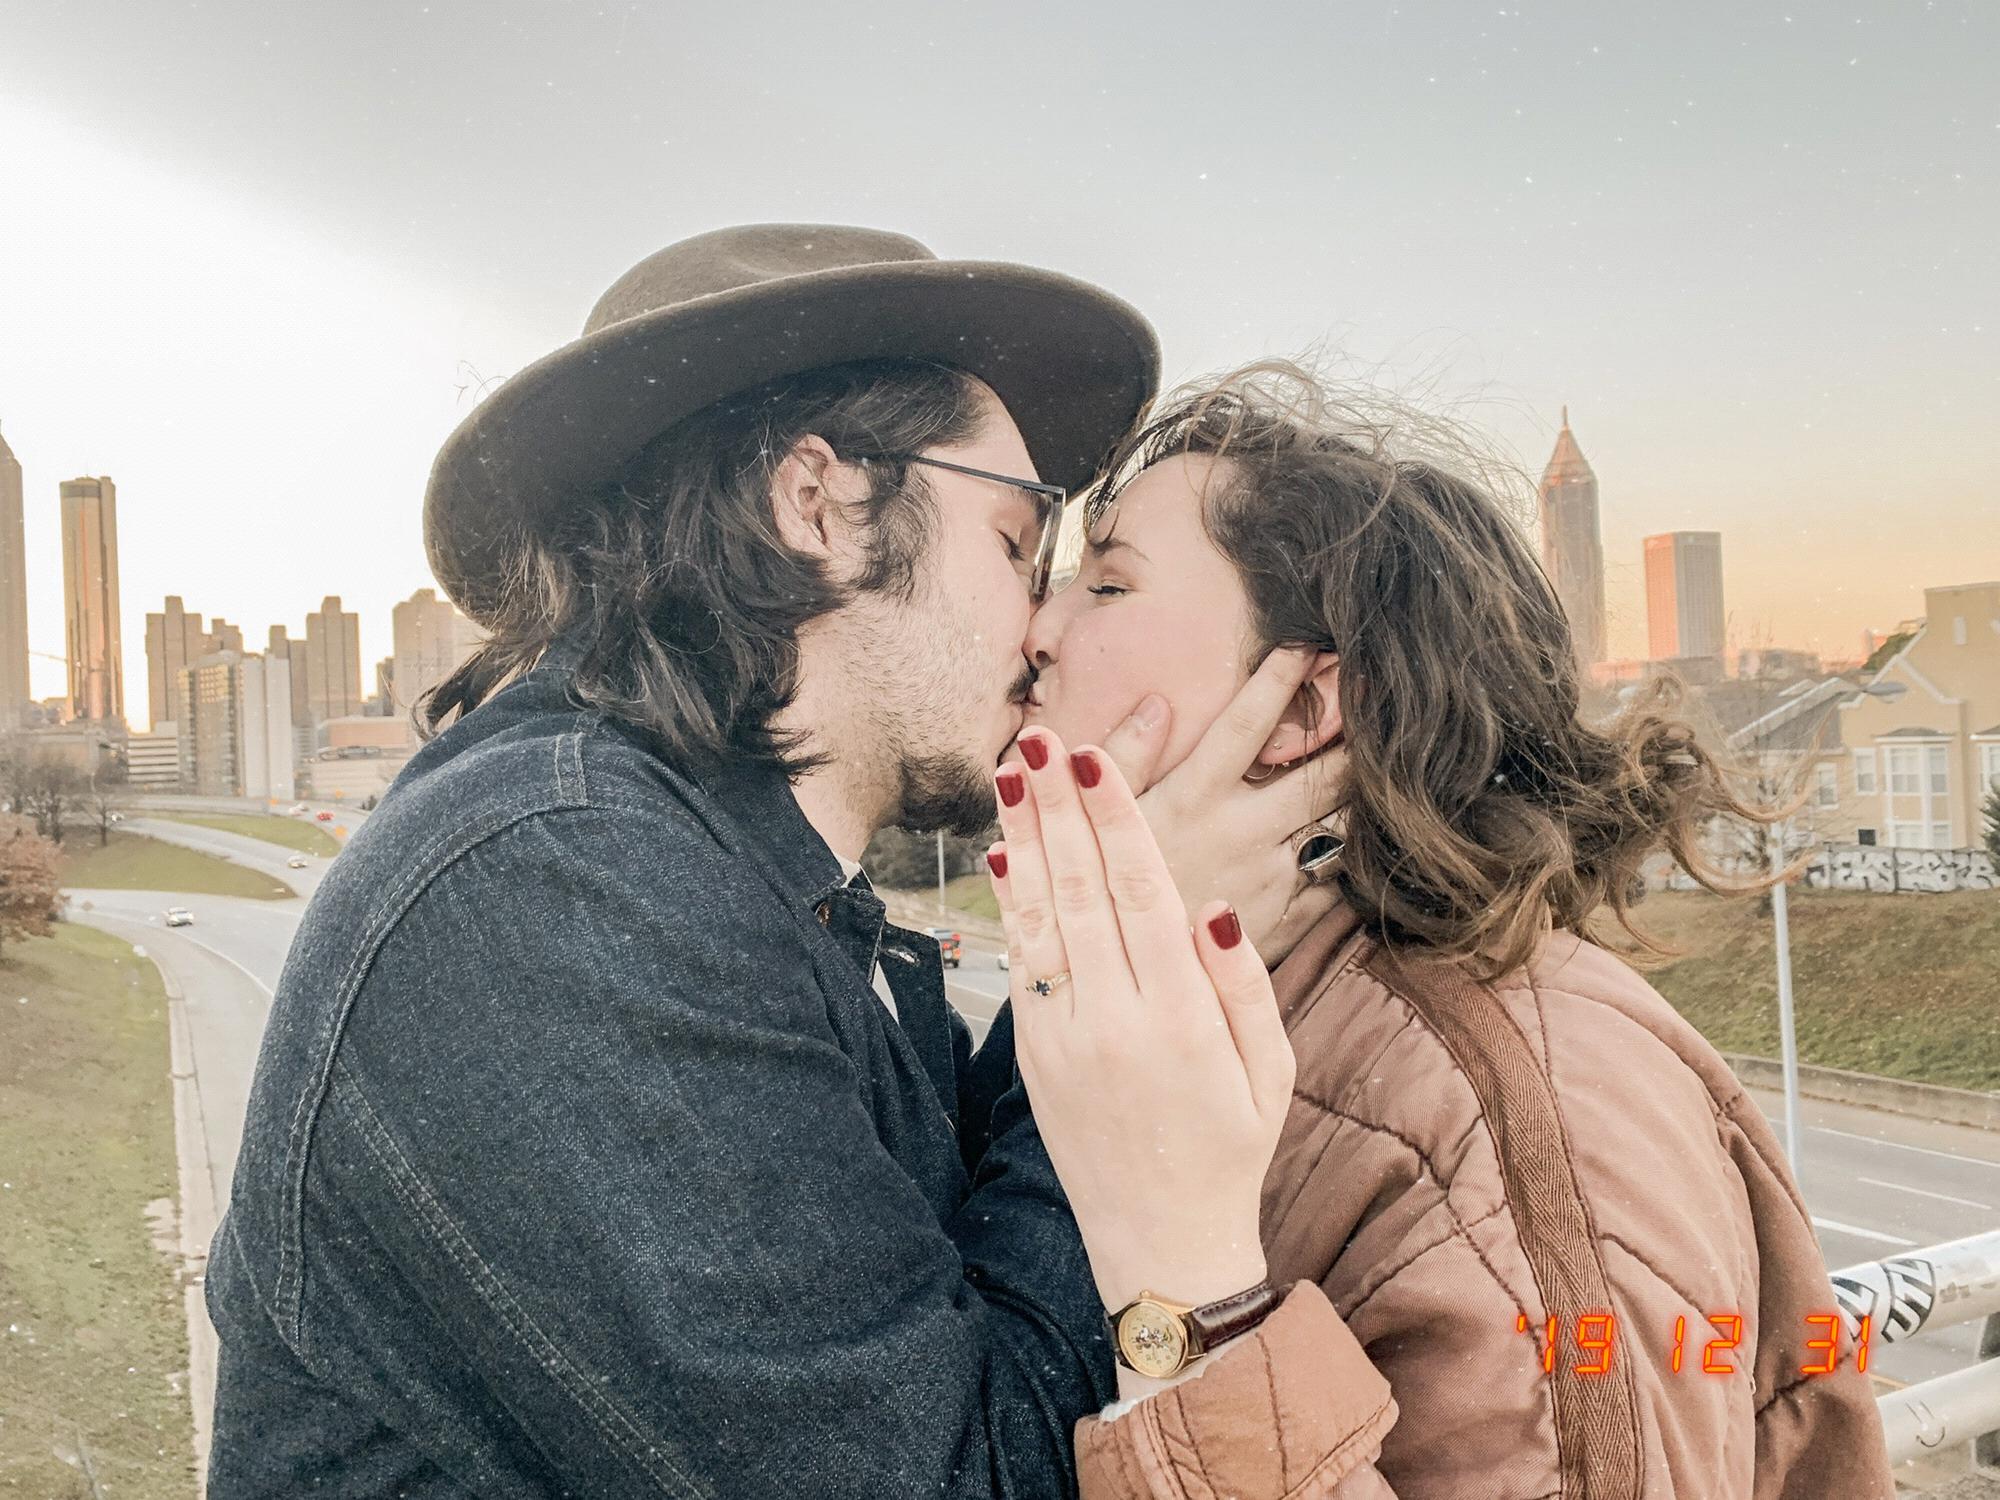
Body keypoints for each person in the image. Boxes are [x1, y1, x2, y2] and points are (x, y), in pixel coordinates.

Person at [202, 226, 1340, 1497]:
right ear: (821, 507)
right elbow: (971, 1473)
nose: (1040, 625)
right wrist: (1146, 940)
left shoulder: (739, 887)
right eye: (1018, 546)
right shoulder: (558, 892)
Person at [988, 362, 1899, 1498]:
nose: (1037, 628)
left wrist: (1187, 1294)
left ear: (1304, 709)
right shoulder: (1241, 1008)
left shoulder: (1518, 1137)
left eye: (1108, 585)